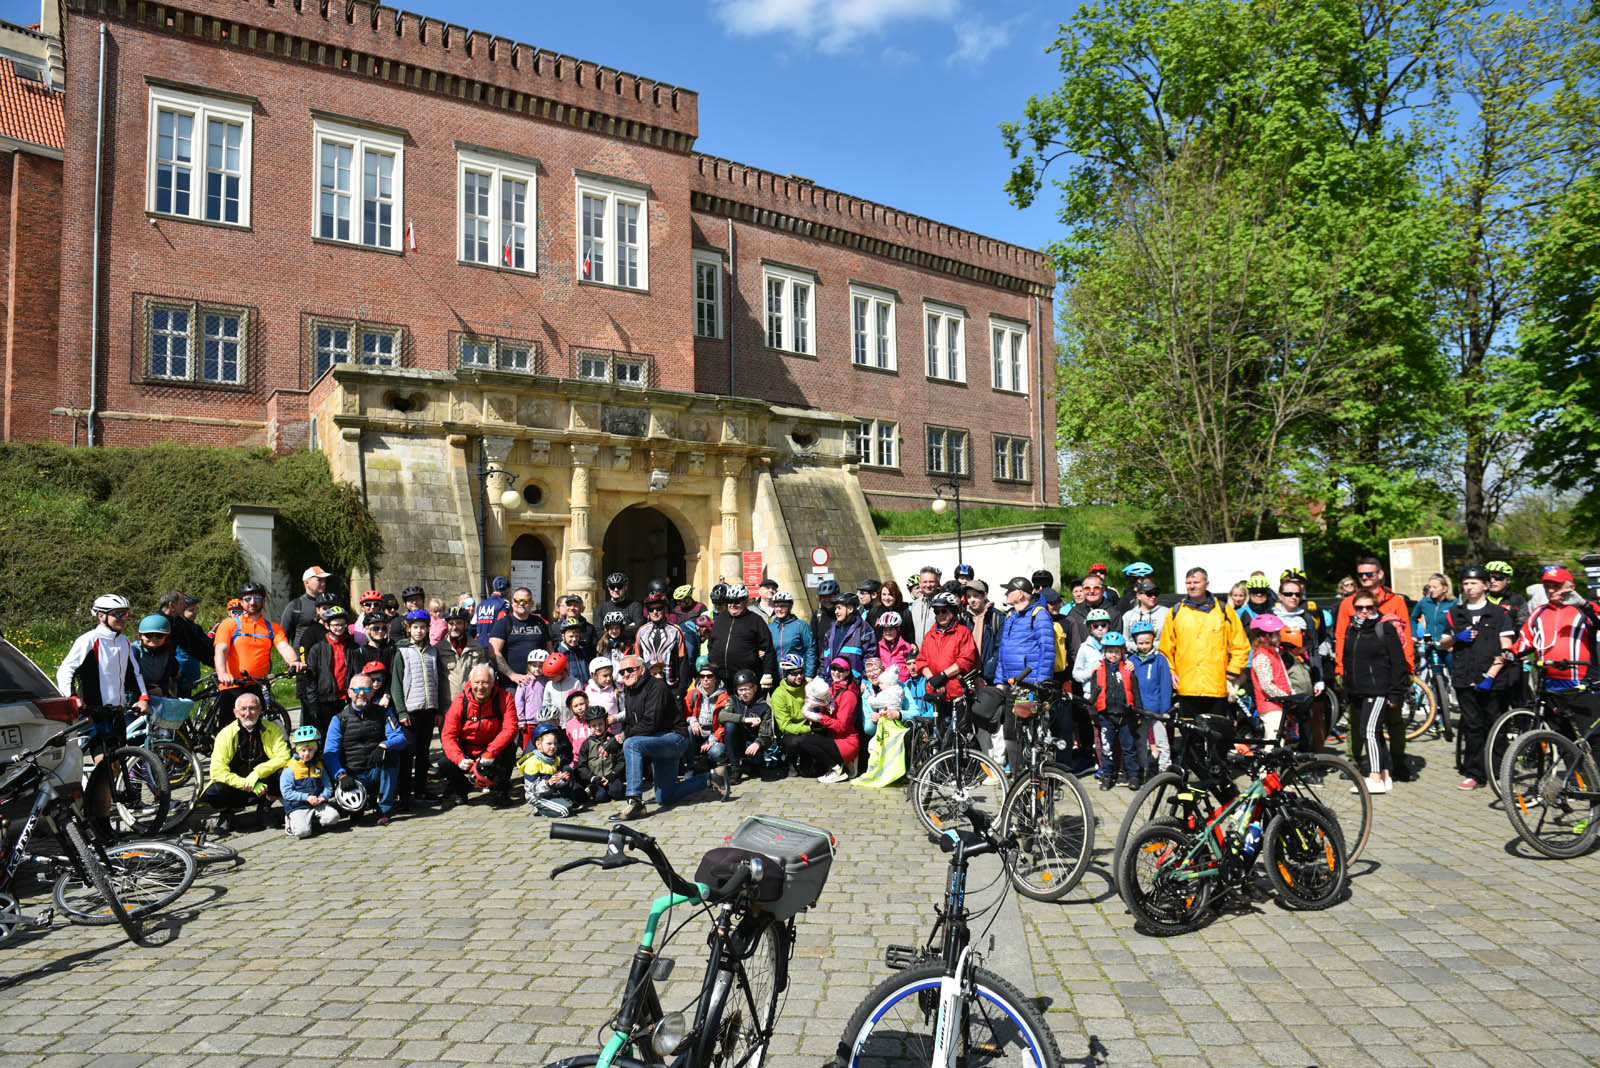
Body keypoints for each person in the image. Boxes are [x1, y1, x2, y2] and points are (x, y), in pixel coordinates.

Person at [1442, 564, 1516, 789]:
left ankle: (1499, 771)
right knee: (1472, 726)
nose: (1469, 587)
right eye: (1465, 583)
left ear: (1485, 585)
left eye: (1474, 583)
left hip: (1492, 678)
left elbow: (1507, 647)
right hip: (1464, 676)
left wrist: (1491, 675)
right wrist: (1457, 638)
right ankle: (1474, 772)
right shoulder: (1456, 613)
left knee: (1495, 726)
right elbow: (1444, 643)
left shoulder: (1499, 613)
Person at [614, 654, 709, 821]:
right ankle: (711, 778)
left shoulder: (657, 687)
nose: (625, 674)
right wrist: (615, 743)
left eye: (630, 670)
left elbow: (650, 723)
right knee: (665, 798)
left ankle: (635, 802)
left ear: (642, 669)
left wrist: (619, 739)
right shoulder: (629, 692)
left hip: (675, 739)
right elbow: (630, 724)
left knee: (631, 744)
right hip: (656, 742)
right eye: (622, 672)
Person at [1511, 564, 1600, 733]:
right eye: (1547, 586)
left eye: (1556, 586)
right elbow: (1525, 641)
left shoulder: (1582, 610)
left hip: (1582, 683)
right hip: (1549, 683)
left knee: (1592, 738)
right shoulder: (1538, 612)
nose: (1551, 591)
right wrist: (1509, 653)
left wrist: (1585, 604)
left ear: (1570, 587)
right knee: (1562, 737)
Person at [58, 594, 150, 752]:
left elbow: (135, 674)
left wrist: (143, 698)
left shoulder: (124, 642)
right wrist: (72, 697)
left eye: (126, 613)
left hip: (117, 713)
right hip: (93, 714)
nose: (123, 618)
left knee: (116, 765)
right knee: (104, 764)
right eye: (118, 614)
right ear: (101, 616)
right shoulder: (88, 640)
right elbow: (65, 670)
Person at [1158, 568, 1249, 726]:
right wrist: (1170, 671)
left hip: (1216, 685)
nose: (1192, 586)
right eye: (1188, 583)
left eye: (1196, 582)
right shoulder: (1176, 612)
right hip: (1187, 685)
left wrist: (1234, 668)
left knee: (1217, 735)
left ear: (1206, 584)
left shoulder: (1223, 611)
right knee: (1191, 736)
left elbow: (1240, 643)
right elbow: (1166, 649)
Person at [1342, 591, 1408, 794]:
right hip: (1358, 690)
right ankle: (1386, 774)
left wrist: (1395, 692)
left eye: (1369, 607)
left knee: (1368, 732)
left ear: (1376, 607)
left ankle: (1375, 777)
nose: (1364, 611)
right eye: (1360, 608)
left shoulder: (1384, 628)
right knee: (1375, 733)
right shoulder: (1352, 628)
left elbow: (1398, 662)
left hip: (1378, 689)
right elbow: (1348, 660)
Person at [325, 673, 408, 825]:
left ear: (373, 691)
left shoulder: (384, 713)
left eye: (366, 689)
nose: (361, 693)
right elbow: (329, 753)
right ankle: (361, 804)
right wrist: (341, 776)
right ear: (349, 692)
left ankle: (384, 810)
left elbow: (400, 738)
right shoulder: (338, 719)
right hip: (353, 776)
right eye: (356, 690)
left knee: (392, 756)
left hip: (376, 771)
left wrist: (384, 745)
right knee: (356, 817)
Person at [213, 581, 304, 718]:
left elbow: (283, 647)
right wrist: (222, 673)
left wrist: (294, 662)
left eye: (257, 598)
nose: (252, 602)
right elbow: (221, 650)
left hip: (259, 685)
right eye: (247, 599)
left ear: (263, 601)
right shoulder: (229, 625)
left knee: (258, 728)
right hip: (233, 686)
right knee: (229, 730)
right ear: (241, 602)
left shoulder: (272, 628)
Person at [203, 691, 290, 832]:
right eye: (243, 709)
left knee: (285, 773)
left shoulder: (272, 729)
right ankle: (226, 812)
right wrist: (244, 783)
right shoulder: (225, 734)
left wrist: (258, 772)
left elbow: (284, 756)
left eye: (252, 708)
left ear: (260, 709)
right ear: (235, 712)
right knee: (214, 791)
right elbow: (216, 771)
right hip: (236, 788)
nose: (248, 713)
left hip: (264, 785)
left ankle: (265, 808)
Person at [1333, 556, 1416, 692]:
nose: (1364, 577)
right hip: (1358, 671)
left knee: (1392, 711)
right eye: (1361, 575)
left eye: (1369, 574)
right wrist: (1340, 668)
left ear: (1380, 574)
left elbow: (1405, 637)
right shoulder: (1348, 603)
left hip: (1390, 671)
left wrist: (1408, 667)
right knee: (1359, 713)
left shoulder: (1395, 601)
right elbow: (1341, 637)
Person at [440, 664, 519, 806]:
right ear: (470, 683)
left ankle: (500, 790)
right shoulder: (460, 702)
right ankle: (461, 788)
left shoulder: (505, 697)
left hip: (492, 747)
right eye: (477, 682)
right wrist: (459, 759)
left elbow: (510, 728)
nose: (480, 687)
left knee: (509, 750)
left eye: (485, 682)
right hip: (466, 749)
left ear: (493, 683)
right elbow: (448, 735)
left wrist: (490, 752)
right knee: (444, 763)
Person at [392, 609, 445, 807]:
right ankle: (405, 793)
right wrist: (401, 711)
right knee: (408, 754)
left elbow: (438, 681)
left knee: (424, 753)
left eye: (423, 627)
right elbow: (396, 683)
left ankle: (422, 790)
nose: (419, 631)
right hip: (410, 710)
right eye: (415, 627)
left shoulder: (433, 651)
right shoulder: (402, 652)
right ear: (408, 629)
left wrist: (438, 709)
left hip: (429, 709)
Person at [1086, 632, 1141, 790]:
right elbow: (1094, 693)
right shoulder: (1099, 669)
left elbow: (1135, 691)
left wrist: (1138, 710)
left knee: (1128, 747)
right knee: (1107, 748)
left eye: (1117, 651)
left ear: (1122, 652)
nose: (1113, 655)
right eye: (1110, 651)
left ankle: (1133, 776)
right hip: (1105, 715)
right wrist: (1093, 711)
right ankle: (1107, 776)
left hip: (1125, 714)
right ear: (1104, 652)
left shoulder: (1128, 669)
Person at [795, 657, 860, 783]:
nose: (836, 672)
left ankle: (837, 769)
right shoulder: (830, 690)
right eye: (834, 668)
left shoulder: (849, 695)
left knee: (805, 740)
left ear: (848, 672)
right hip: (833, 738)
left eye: (841, 670)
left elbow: (842, 727)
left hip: (846, 742)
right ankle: (842, 764)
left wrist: (820, 717)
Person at [710, 669, 774, 796]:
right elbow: (722, 716)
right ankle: (735, 768)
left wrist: (757, 743)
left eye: (747, 689)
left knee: (755, 762)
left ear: (755, 688)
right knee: (729, 725)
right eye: (740, 690)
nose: (744, 693)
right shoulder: (733, 700)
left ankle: (748, 764)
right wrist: (744, 719)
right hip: (734, 742)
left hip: (752, 744)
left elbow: (767, 734)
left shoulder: (764, 707)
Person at [302, 604, 360, 736]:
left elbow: (357, 672)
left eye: (342, 625)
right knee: (327, 735)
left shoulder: (352, 647)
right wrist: (312, 703)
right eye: (336, 625)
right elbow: (311, 678)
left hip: (346, 699)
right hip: (325, 699)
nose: (339, 628)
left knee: (347, 734)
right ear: (327, 626)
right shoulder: (318, 649)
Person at [706, 585, 777, 692]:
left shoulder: (755, 620)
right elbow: (711, 644)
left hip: (746, 679)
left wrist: (767, 673)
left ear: (746, 601)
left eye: (737, 601)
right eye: (729, 601)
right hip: (720, 678)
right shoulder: (720, 618)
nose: (733, 605)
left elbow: (768, 649)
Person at [854, 660, 912, 788]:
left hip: (897, 728)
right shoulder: (867, 692)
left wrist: (898, 714)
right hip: (878, 732)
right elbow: (868, 729)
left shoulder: (899, 687)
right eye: (868, 672)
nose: (872, 674)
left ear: (883, 670)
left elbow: (914, 712)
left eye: (876, 670)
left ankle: (901, 773)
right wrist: (876, 721)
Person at [279, 724, 342, 838]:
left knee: (334, 817)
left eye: (310, 750)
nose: (307, 754)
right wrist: (306, 797)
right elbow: (286, 792)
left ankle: (311, 821)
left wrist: (323, 797)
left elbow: (328, 786)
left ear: (315, 750)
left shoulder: (318, 766)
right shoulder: (290, 769)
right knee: (303, 833)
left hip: (317, 803)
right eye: (303, 750)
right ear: (297, 750)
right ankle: (290, 819)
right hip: (298, 806)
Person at [1128, 621, 1173, 773]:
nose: (1144, 646)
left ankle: (1165, 768)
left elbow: (1165, 686)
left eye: (1147, 642)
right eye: (1140, 643)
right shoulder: (1132, 661)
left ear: (1153, 640)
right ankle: (1143, 767)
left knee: (1161, 741)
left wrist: (1165, 711)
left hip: (1156, 710)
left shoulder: (1160, 660)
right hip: (1139, 710)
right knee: (1140, 741)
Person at [489, 586, 553, 687]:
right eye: (517, 600)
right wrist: (512, 675)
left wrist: (551, 673)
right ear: (512, 603)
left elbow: (550, 649)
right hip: (512, 684)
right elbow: (494, 653)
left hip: (539, 682)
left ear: (531, 604)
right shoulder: (503, 623)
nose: (521, 603)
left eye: (526, 601)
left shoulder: (540, 622)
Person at [1246, 615, 1293, 742]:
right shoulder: (1261, 656)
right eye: (1276, 633)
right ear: (1264, 636)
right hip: (1271, 708)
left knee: (1279, 742)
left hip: (1278, 706)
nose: (1280, 636)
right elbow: (1266, 685)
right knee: (1273, 744)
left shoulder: (1272, 652)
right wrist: (1286, 699)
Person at [634, 593, 690, 696]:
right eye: (651, 609)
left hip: (671, 685)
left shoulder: (676, 630)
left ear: (665, 609)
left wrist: (682, 688)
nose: (655, 612)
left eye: (659, 608)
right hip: (647, 685)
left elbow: (683, 660)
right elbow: (637, 660)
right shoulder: (641, 631)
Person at [519, 723, 579, 817]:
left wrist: (562, 779)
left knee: (567, 770)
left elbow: (555, 782)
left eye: (555, 744)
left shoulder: (554, 759)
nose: (553, 747)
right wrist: (549, 783)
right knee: (564, 811)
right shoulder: (533, 763)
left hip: (549, 792)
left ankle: (564, 801)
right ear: (538, 745)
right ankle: (538, 809)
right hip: (537, 797)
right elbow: (533, 790)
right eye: (549, 744)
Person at [575, 704, 627, 805]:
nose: (597, 728)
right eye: (594, 725)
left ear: (606, 723)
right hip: (596, 779)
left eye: (600, 724)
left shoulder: (613, 740)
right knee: (600, 797)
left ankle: (620, 786)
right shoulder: (587, 744)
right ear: (589, 726)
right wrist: (592, 778)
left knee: (618, 793)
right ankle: (591, 789)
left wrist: (613, 775)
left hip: (611, 776)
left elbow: (622, 760)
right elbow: (581, 766)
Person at [435, 605, 489, 702]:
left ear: (466, 624)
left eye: (459, 623)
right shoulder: (439, 648)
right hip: (448, 704)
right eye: (451, 623)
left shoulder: (477, 647)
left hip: (471, 703)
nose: (454, 627)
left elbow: (483, 677)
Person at [770, 655, 812, 775]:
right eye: (794, 673)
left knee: (808, 773)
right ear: (785, 674)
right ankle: (790, 762)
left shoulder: (808, 688)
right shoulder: (778, 694)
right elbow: (785, 726)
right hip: (789, 733)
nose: (799, 676)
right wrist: (808, 729)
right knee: (794, 742)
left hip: (808, 730)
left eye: (801, 672)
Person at [684, 663, 729, 770]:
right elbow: (685, 713)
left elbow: (724, 723)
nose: (705, 679)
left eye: (709, 676)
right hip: (697, 734)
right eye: (702, 676)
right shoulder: (693, 694)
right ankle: (693, 763)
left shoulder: (724, 697)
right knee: (689, 728)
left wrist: (713, 739)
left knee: (716, 752)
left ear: (715, 678)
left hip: (714, 736)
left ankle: (708, 761)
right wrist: (692, 720)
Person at [820, 592, 873, 678]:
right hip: (832, 682)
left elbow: (870, 656)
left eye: (839, 608)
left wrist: (865, 679)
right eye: (835, 609)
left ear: (850, 609)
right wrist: (822, 676)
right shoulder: (831, 631)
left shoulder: (864, 629)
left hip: (854, 683)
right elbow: (824, 657)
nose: (836, 612)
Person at [768, 591, 817, 679]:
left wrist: (809, 674)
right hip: (776, 676)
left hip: (796, 675)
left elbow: (810, 650)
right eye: (776, 606)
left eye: (783, 606)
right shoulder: (770, 627)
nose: (779, 609)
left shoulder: (801, 625)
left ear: (790, 607)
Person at [281, 565, 332, 647]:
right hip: (301, 657)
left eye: (324, 580)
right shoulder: (295, 606)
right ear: (306, 582)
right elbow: (282, 637)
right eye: (319, 580)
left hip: (326, 656)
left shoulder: (332, 604)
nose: (323, 583)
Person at [133, 614, 181, 699]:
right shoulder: (133, 651)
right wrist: (145, 690)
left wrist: (162, 689)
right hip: (135, 694)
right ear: (141, 636)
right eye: (149, 635)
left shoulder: (168, 653)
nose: (154, 638)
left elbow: (167, 677)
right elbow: (127, 679)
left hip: (157, 695)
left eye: (159, 635)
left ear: (166, 637)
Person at [964, 579, 1003, 682]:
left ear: (984, 595)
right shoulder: (965, 618)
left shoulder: (996, 617)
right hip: (969, 675)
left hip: (990, 677)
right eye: (968, 597)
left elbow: (999, 650)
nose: (972, 600)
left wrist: (986, 674)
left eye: (976, 596)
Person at [1412, 573, 1457, 644]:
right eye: (1430, 587)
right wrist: (1413, 635)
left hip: (1447, 645)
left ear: (1445, 589)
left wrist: (1453, 640)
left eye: (1435, 587)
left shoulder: (1454, 603)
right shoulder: (1424, 602)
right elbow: (1413, 619)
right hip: (1429, 644)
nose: (1431, 590)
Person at [601, 573, 646, 642]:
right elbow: (599, 633)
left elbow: (639, 628)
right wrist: (628, 627)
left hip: (629, 648)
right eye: (612, 586)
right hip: (608, 649)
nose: (616, 589)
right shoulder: (600, 608)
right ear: (608, 588)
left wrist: (609, 630)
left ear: (625, 587)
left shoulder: (635, 606)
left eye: (619, 586)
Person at [584, 657, 624, 735]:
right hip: (596, 733)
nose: (608, 678)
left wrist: (617, 717)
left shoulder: (617, 688)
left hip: (614, 732)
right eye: (605, 676)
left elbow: (625, 709)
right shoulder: (588, 690)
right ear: (594, 675)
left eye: (610, 675)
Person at [907, 566, 943, 645]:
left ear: (937, 583)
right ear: (920, 584)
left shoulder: (944, 604)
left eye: (931, 581)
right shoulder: (915, 605)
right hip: (918, 655)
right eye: (925, 582)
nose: (928, 585)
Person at [473, 576, 511, 646]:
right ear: (506, 589)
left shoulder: (481, 604)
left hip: (479, 643)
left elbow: (472, 625)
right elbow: (502, 623)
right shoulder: (504, 603)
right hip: (494, 644)